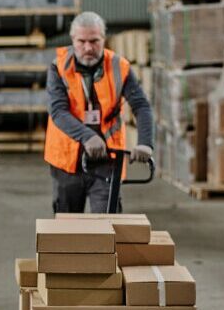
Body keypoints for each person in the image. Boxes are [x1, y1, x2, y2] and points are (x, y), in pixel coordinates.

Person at [44, 11, 154, 214]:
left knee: (107, 225)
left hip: (107, 159)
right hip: (67, 161)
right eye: (81, 41)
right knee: (67, 229)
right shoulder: (58, 68)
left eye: (94, 41)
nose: (88, 48)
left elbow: (141, 106)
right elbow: (58, 111)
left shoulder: (120, 67)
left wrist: (145, 142)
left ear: (104, 39)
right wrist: (87, 137)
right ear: (72, 40)